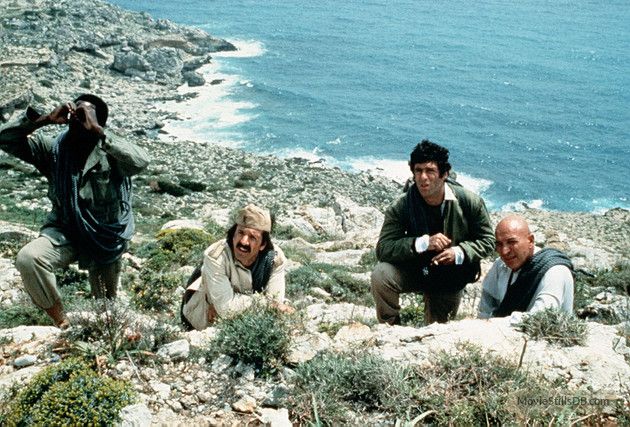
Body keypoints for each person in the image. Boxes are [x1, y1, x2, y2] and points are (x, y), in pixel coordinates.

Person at [0, 95, 149, 328]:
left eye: (85, 115)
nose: (78, 120)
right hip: (65, 230)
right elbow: (5, 138)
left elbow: (141, 162)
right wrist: (46, 119)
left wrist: (98, 131)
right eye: (76, 114)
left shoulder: (111, 152)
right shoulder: (55, 149)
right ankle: (62, 321)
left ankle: (105, 331)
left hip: (103, 237)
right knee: (29, 259)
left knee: (106, 312)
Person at [371, 140, 494, 324]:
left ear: (444, 174)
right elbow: (384, 249)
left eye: (430, 171)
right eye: (418, 170)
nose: (423, 177)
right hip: (414, 269)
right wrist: (421, 244)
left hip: (449, 276)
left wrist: (458, 252)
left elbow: (488, 240)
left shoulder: (469, 202)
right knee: (381, 275)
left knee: (437, 328)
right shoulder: (402, 205)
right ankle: (390, 328)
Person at [181, 204, 291, 330]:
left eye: (252, 237)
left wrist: (234, 305)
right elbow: (226, 308)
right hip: (201, 315)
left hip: (242, 315)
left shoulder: (275, 259)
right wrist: (266, 303)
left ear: (263, 244)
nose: (243, 241)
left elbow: (275, 302)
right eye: (240, 233)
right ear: (233, 234)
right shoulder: (216, 256)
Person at [478, 215, 574, 319]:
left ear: (530, 241)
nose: (504, 251)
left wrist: (494, 323)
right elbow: (486, 304)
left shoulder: (554, 272)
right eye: (499, 244)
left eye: (512, 242)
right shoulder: (500, 265)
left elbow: (539, 318)